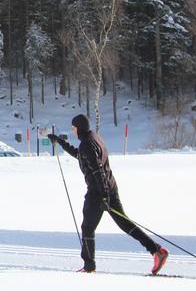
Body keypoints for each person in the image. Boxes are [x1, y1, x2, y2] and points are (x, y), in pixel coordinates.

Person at [48, 114, 169, 274]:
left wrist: (103, 195)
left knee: (87, 227)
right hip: (109, 188)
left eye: (73, 128)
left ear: (79, 128)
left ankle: (89, 266)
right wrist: (61, 142)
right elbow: (80, 155)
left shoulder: (87, 144)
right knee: (125, 224)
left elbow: (97, 170)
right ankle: (157, 251)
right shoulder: (93, 139)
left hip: (98, 192)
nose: (73, 131)